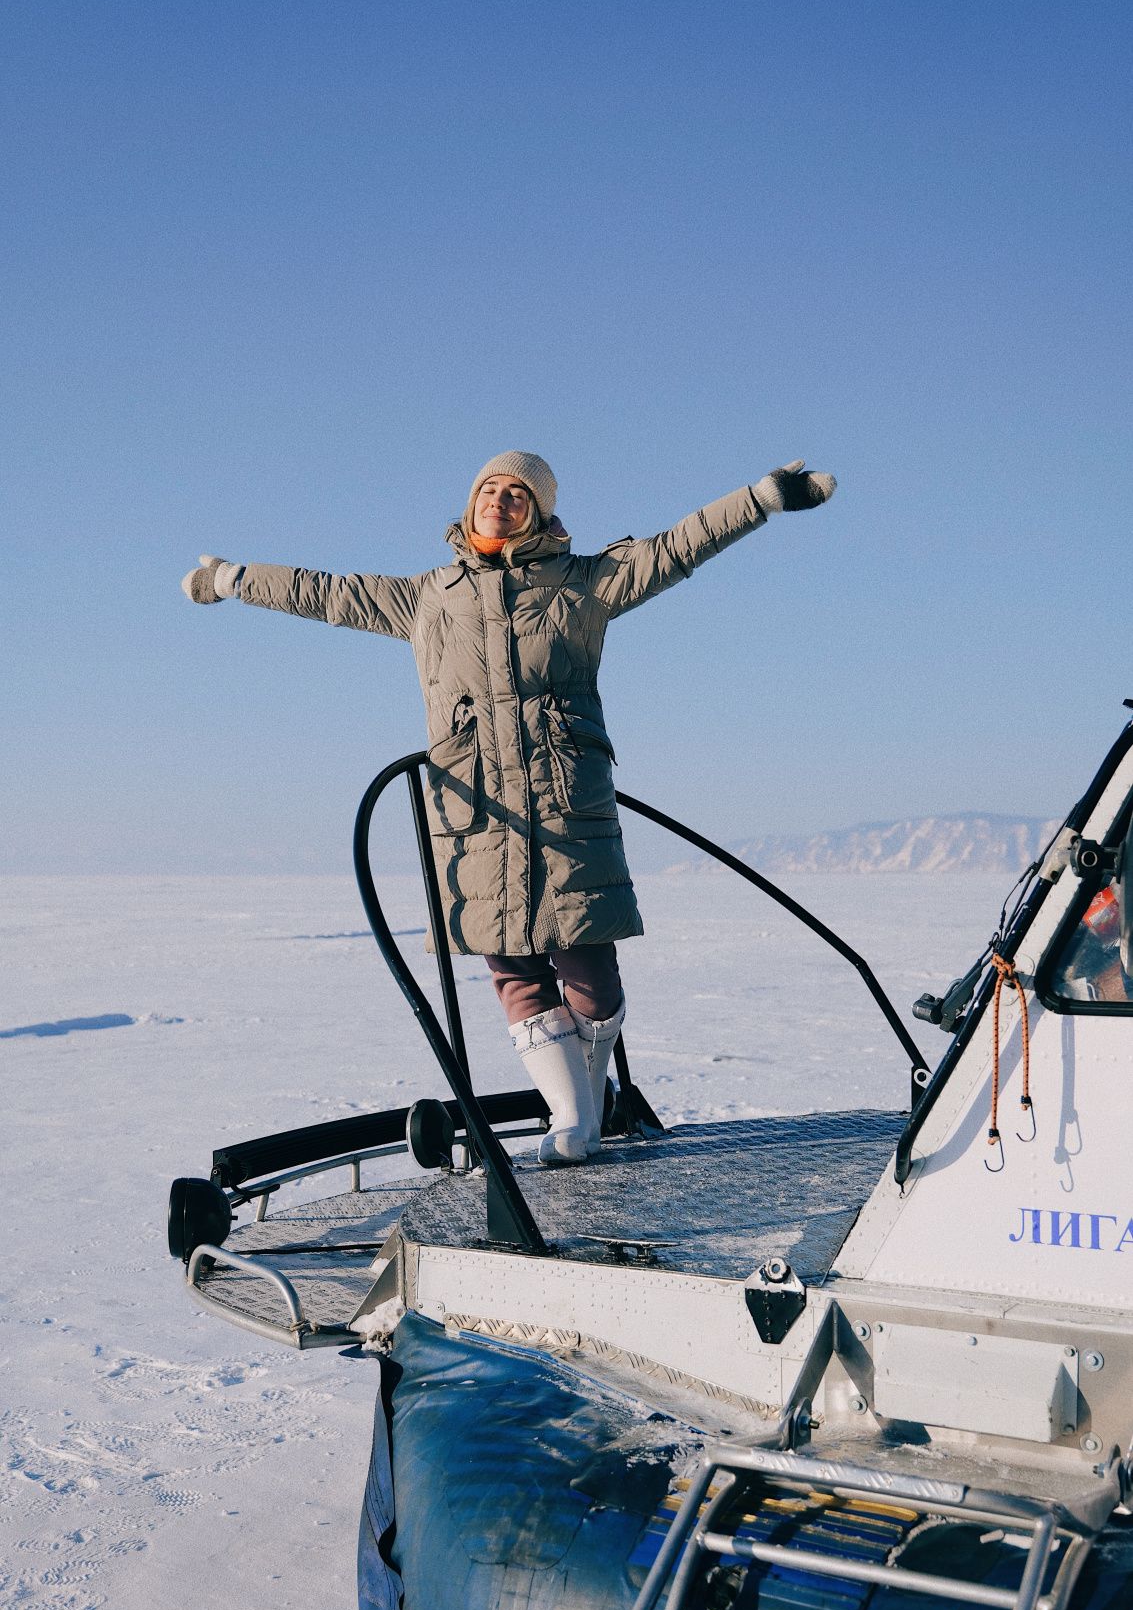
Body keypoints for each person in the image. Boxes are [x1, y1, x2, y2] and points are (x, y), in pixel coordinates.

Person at [182, 450, 836, 1163]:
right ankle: (573, 1120)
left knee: (588, 967)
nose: (500, 499)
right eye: (489, 488)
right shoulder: (428, 595)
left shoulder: (585, 583)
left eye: (517, 492)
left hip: (563, 805)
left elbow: (678, 547)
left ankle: (581, 1108)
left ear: (541, 511)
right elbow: (326, 592)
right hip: (474, 813)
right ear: (470, 505)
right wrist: (230, 579)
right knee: (512, 969)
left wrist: (763, 496)